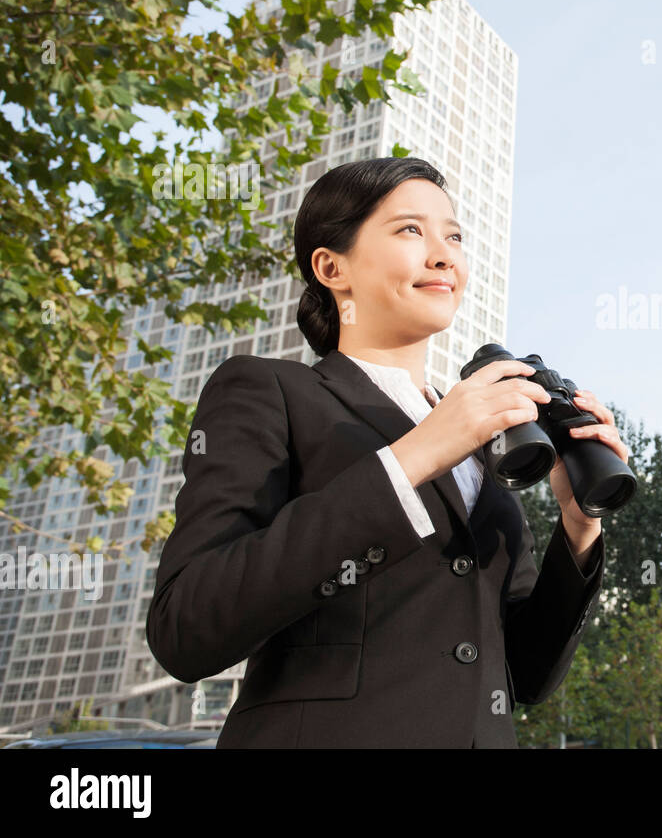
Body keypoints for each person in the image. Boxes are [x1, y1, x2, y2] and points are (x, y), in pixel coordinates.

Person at [146, 156, 626, 747]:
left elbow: (525, 673)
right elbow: (185, 629)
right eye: (410, 230)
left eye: (453, 235)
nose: (444, 254)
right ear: (332, 266)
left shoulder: (485, 439)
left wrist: (578, 529)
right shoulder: (267, 390)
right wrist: (414, 455)